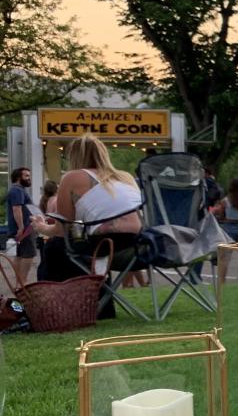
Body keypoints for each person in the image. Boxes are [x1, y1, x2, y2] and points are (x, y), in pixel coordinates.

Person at [30, 135, 143, 319]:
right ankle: (104, 309)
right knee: (93, 249)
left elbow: (62, 229)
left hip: (105, 245)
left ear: (75, 156)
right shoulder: (125, 177)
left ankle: (50, 311)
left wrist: (41, 227)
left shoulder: (73, 177)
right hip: (139, 246)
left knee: (56, 247)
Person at [5, 167, 35, 285]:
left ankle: (19, 284)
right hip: (24, 230)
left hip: (20, 229)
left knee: (19, 255)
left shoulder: (16, 189)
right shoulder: (17, 190)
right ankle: (23, 283)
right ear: (19, 177)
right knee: (28, 255)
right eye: (26, 176)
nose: (29, 178)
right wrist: (21, 227)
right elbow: (17, 209)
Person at [34, 179, 59, 281]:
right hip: (50, 231)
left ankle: (40, 281)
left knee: (43, 259)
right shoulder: (55, 200)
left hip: (43, 232)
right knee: (48, 260)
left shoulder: (44, 200)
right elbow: (57, 217)